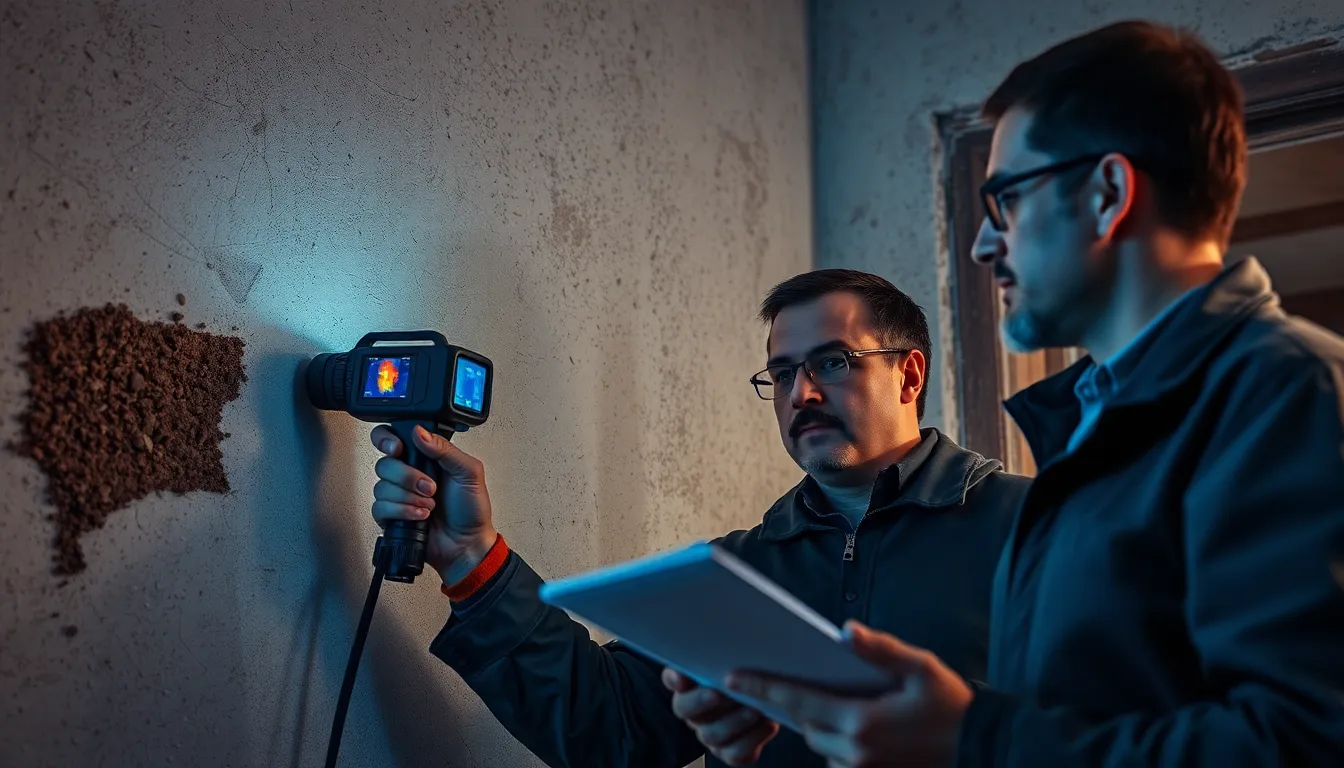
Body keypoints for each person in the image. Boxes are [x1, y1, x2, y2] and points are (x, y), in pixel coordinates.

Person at [721, 19, 1344, 768]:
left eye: (1006, 201)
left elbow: (1304, 745)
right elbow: (1084, 717)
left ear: (1109, 193)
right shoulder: (1093, 434)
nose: (986, 244)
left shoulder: (1286, 392)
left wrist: (968, 737)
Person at [367, 269, 1030, 767]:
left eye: (833, 361)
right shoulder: (740, 574)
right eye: (783, 372)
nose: (803, 393)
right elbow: (611, 728)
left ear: (909, 376)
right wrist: (472, 563)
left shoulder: (1033, 529)